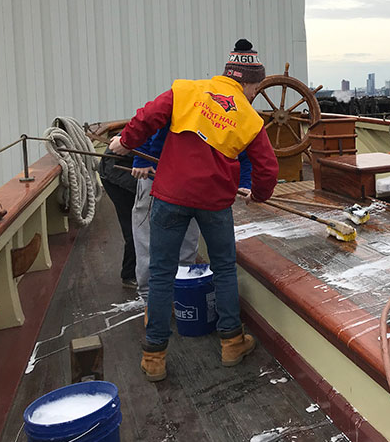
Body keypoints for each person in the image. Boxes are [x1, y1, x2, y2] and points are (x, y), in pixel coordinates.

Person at [109, 39, 279, 381]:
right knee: (224, 269)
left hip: (170, 195)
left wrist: (124, 143)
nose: (255, 94)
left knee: (161, 273)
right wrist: (259, 194)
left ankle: (154, 356)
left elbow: (147, 116)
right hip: (214, 203)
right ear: (249, 83)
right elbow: (268, 168)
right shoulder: (249, 118)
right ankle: (231, 342)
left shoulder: (187, 90)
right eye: (256, 88)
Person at [129, 127, 254, 305]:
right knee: (150, 245)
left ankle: (180, 293)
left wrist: (244, 182)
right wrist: (141, 157)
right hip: (157, 178)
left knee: (187, 243)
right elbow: (149, 122)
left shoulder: (231, 109)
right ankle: (151, 301)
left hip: (197, 185)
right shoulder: (180, 101)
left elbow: (241, 148)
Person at [98, 152, 137, 288]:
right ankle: (129, 274)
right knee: (134, 226)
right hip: (116, 175)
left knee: (140, 224)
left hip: (126, 167)